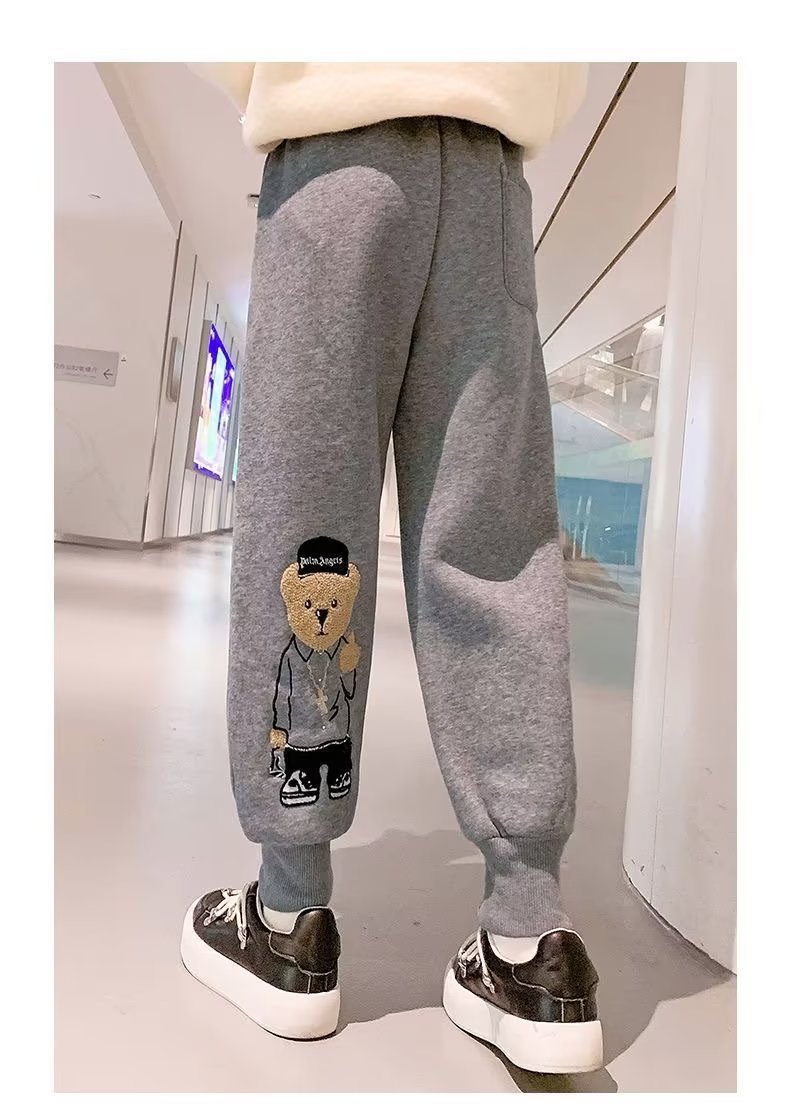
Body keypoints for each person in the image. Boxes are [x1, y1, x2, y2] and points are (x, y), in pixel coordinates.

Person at [180, 62, 603, 1074]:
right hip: (487, 181)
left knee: (306, 529)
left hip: (337, 154)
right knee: (494, 543)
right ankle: (529, 938)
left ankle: (287, 914)